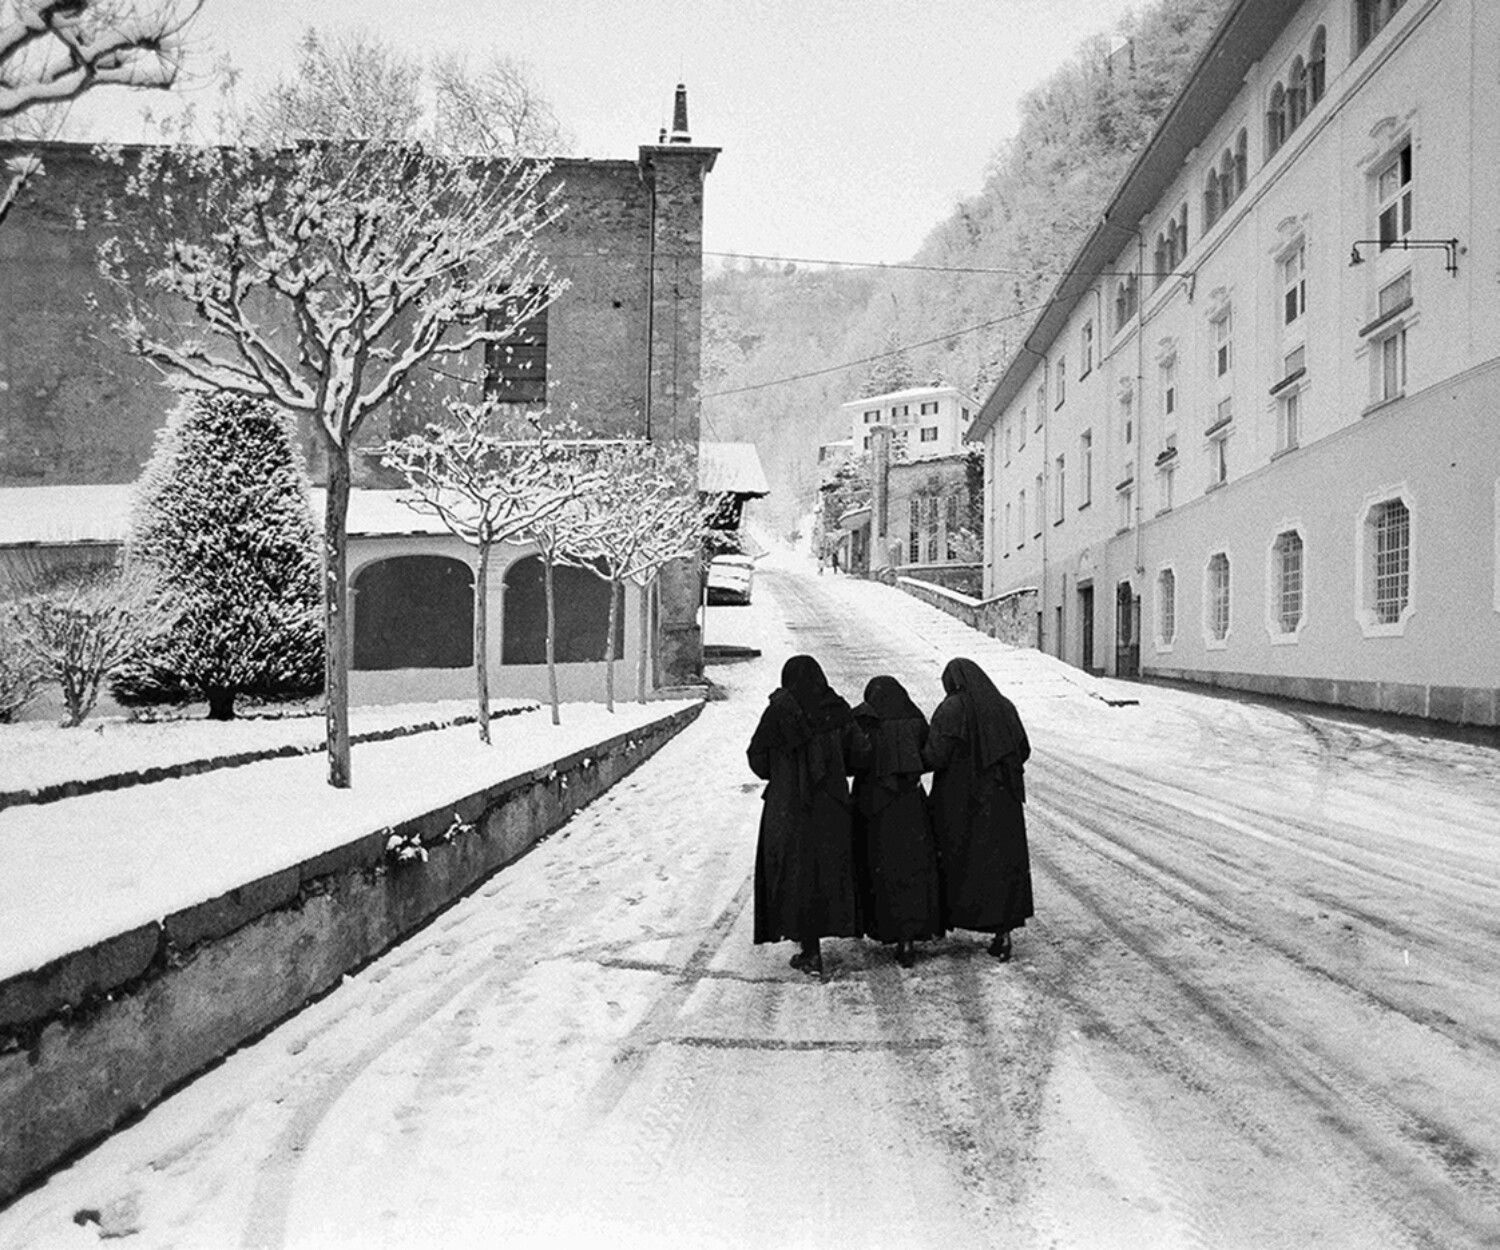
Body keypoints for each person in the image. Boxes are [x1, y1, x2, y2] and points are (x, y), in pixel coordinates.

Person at [747, 655, 867, 976]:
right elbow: (859, 755)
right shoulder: (836, 709)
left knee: (793, 872)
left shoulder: (778, 711)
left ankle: (807, 945)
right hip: (831, 806)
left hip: (787, 808)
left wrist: (784, 769)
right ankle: (815, 942)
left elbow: (756, 760)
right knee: (825, 871)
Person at [923, 657, 1034, 961]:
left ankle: (952, 918)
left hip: (961, 802)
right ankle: (1004, 933)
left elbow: (935, 756)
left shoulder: (951, 709)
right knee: (1001, 866)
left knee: (961, 862)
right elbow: (1023, 749)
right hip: (1004, 800)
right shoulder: (1004, 706)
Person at [850, 676, 944, 968]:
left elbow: (853, 759)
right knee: (913, 868)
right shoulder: (914, 717)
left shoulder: (863, 717)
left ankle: (883, 927)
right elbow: (930, 756)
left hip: (873, 804)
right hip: (910, 804)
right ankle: (910, 936)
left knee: (878, 866)